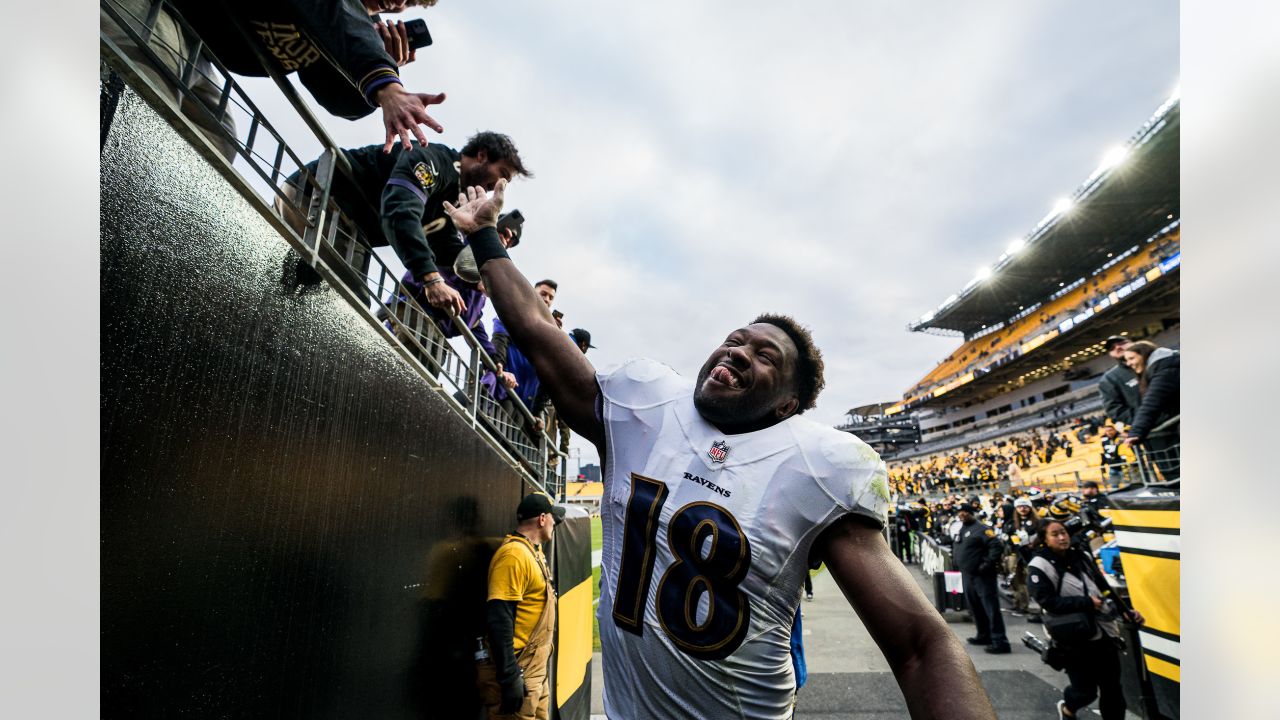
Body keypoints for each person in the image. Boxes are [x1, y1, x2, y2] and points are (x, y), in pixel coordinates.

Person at [445, 180, 996, 719]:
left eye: (765, 356)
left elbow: (921, 645)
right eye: (735, 339)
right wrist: (487, 236)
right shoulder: (648, 411)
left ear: (788, 405)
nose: (738, 352)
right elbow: (540, 334)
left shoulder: (814, 467)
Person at [173, 0, 448, 153]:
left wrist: (365, 74)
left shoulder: (357, 36)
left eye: (409, 2)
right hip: (167, 9)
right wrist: (387, 85)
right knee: (152, 76)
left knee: (220, 140)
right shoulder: (345, 24)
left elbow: (334, 99)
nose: (398, 1)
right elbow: (334, 11)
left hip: (198, 52)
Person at [1028, 520, 1144, 720]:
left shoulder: (1082, 556)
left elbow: (1103, 587)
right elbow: (1047, 601)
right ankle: (1068, 709)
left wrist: (1125, 610)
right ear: (1044, 540)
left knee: (1112, 688)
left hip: (1104, 632)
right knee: (1085, 691)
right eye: (1055, 534)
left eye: (1063, 532)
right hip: (1072, 637)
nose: (1062, 537)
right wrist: (1085, 602)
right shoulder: (1039, 565)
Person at [478, 492, 565, 720]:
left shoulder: (531, 550)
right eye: (553, 519)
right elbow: (499, 617)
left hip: (535, 672)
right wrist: (509, 676)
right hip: (520, 670)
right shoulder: (514, 555)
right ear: (542, 519)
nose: (555, 524)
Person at [953, 503, 1011, 653]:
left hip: (982, 576)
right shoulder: (963, 528)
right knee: (975, 607)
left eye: (965, 511)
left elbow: (997, 546)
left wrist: (986, 564)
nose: (962, 514)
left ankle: (1000, 640)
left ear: (972, 513)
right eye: (960, 512)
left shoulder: (983, 529)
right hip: (968, 575)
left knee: (991, 608)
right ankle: (983, 634)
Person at [1120, 341, 1180, 480]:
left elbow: (1152, 402)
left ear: (1144, 354)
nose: (1128, 363)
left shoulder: (1166, 367)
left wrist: (1136, 431)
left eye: (1131, 358)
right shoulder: (1162, 366)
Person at [1097, 336, 1140, 426]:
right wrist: (1145, 420)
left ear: (1133, 342)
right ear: (1110, 354)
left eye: (1121, 343)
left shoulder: (1155, 360)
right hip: (1156, 431)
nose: (1117, 347)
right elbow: (1115, 411)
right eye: (1112, 348)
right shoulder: (1109, 379)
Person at [1098, 424, 1126, 488]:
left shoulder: (1121, 438)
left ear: (1114, 430)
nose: (1109, 432)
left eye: (1110, 430)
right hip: (1112, 467)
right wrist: (1102, 465)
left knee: (1128, 486)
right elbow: (1103, 453)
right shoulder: (1104, 441)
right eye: (1107, 431)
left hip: (1123, 467)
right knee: (1114, 487)